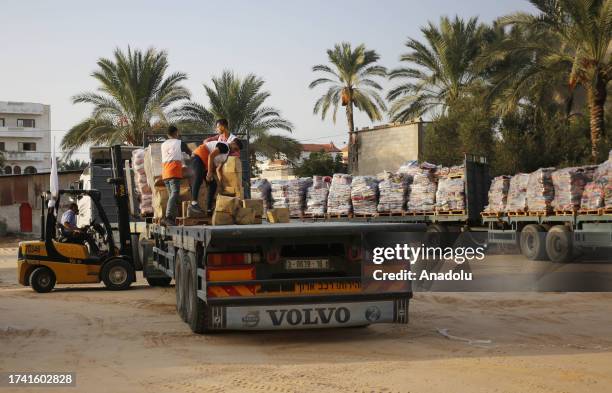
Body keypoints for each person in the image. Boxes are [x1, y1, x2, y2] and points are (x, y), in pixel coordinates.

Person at [189, 139, 243, 216]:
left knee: (213, 184)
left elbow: (218, 169)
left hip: (205, 163)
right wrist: (209, 172)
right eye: (235, 148)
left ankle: (209, 209)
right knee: (198, 177)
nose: (235, 151)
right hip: (199, 157)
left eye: (237, 150)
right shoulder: (224, 146)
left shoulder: (226, 155)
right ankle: (193, 204)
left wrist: (220, 181)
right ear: (233, 143)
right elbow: (211, 156)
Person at [161, 125, 191, 226]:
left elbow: (174, 154)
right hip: (174, 171)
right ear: (176, 132)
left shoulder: (164, 144)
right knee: (175, 193)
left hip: (165, 173)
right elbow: (190, 153)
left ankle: (171, 219)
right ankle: (168, 216)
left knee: (171, 196)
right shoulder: (179, 143)